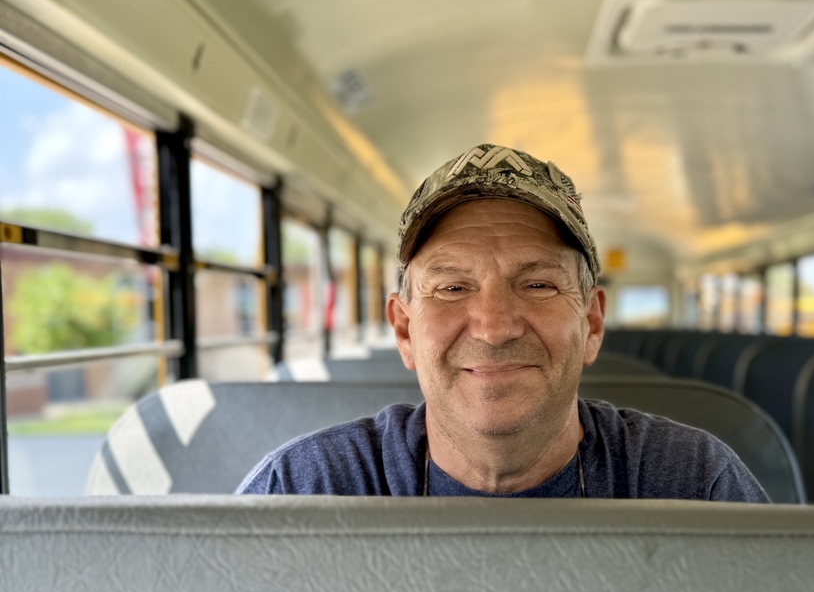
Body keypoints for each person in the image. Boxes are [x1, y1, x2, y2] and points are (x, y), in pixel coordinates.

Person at [237, 144, 768, 500]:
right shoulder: (305, 491)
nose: (494, 327)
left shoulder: (693, 486)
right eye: (451, 288)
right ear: (404, 330)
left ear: (592, 323)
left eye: (537, 284)